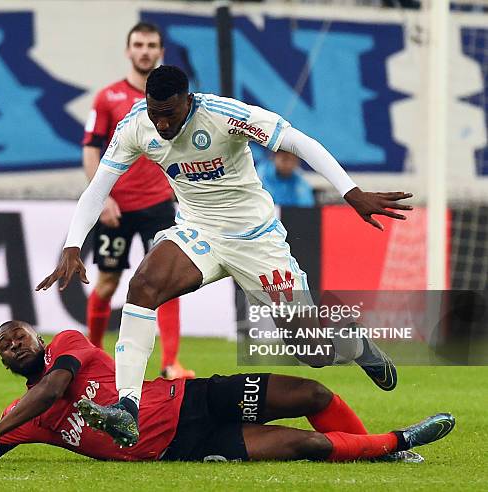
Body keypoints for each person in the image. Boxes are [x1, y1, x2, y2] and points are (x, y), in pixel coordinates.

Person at [36, 65, 415, 447]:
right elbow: (99, 187)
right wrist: (73, 244)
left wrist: (351, 192)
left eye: (169, 114)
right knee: (144, 285)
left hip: (256, 239)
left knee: (311, 350)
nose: (162, 125)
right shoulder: (137, 125)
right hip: (198, 231)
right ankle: (127, 408)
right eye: (155, 114)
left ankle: (358, 346)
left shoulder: (225, 116)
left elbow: (298, 142)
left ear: (189, 100)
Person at [0, 322, 454, 463]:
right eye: (4, 344)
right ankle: (397, 442)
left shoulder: (68, 345)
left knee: (311, 394)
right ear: (3, 362)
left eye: (18, 333)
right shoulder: (19, 419)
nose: (13, 341)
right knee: (306, 447)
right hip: (183, 447)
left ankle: (379, 451)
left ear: (38, 338)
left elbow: (55, 388)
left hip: (191, 398)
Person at [82, 23, 193, 379]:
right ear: (128, 50)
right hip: (117, 208)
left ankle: (171, 363)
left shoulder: (173, 99)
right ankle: (92, 356)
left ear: (161, 52)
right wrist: (104, 198)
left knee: (168, 280)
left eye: (151, 45)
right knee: (108, 283)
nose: (145, 51)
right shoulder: (107, 98)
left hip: (158, 205)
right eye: (139, 45)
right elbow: (90, 150)